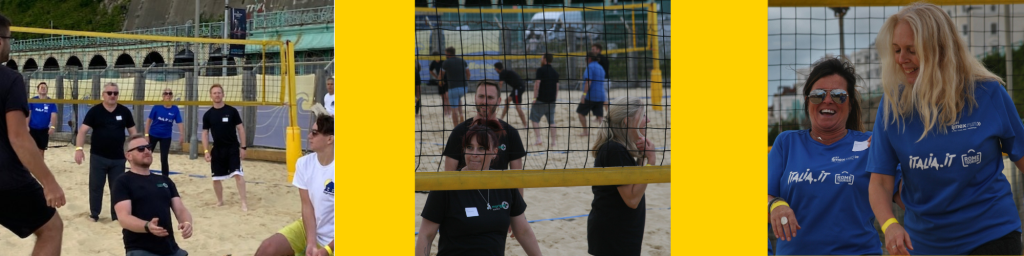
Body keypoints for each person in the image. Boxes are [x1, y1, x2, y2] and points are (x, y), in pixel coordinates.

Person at [867, 3, 1024, 255]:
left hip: (993, 237)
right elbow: (880, 184)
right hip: (924, 245)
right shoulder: (892, 106)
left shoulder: (988, 93)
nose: (901, 59)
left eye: (911, 50)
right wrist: (890, 225)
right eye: (896, 50)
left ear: (939, 49)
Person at [766, 57, 894, 255]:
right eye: (817, 94)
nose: (827, 100)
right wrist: (775, 205)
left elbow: (907, 192)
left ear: (850, 104)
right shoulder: (786, 143)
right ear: (808, 101)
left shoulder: (871, 143)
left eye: (838, 95)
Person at [416, 118, 542, 256]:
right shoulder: (446, 186)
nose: (474, 153)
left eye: (481, 148)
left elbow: (523, 232)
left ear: (494, 152)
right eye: (469, 147)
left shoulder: (505, 183)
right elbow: (425, 236)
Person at [0, 14, 66, 255]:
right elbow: (18, 137)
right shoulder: (9, 79)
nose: (11, 44)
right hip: (6, 180)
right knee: (51, 228)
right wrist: (49, 183)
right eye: (10, 38)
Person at [255, 115, 335, 256]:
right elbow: (307, 206)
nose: (309, 136)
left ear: (330, 139)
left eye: (315, 133)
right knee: (267, 249)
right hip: (310, 228)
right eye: (311, 131)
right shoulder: (304, 164)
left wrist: (328, 249)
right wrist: (310, 242)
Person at [587, 96, 655, 256]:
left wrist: (641, 157)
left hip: (618, 232)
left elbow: (632, 185)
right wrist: (651, 161)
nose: (649, 120)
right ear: (627, 121)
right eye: (643, 115)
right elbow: (632, 199)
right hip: (613, 237)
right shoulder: (614, 150)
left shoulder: (617, 149)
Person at [112, 134, 193, 256]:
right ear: (128, 155)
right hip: (141, 248)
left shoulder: (165, 181)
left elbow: (180, 210)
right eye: (140, 149)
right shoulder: (123, 182)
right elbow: (124, 218)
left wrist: (187, 223)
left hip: (170, 248)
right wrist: (147, 226)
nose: (146, 151)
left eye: (148, 147)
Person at [75, 82, 138, 222]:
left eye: (115, 93)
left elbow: (133, 133)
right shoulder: (95, 111)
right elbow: (82, 131)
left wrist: (134, 152)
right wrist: (79, 149)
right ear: (103, 94)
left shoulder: (124, 111)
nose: (112, 96)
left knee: (117, 188)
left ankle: (116, 216)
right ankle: (94, 214)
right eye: (109, 93)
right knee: (96, 186)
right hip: (98, 156)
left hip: (118, 158)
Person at [443, 80, 526, 172]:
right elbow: (449, 177)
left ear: (498, 101)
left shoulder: (511, 133)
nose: (484, 101)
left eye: (490, 97)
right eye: (481, 96)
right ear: (475, 98)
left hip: (497, 186)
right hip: (467, 185)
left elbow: (517, 180)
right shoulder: (459, 131)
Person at [201, 84, 249, 211]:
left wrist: (243, 147)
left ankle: (244, 202)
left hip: (232, 148)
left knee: (238, 175)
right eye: (214, 93)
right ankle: (220, 201)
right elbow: (205, 134)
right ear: (211, 96)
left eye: (219, 92)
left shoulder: (232, 111)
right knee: (216, 178)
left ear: (223, 94)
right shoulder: (208, 114)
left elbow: (240, 129)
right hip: (217, 149)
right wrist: (206, 151)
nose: (217, 95)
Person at [145, 88, 185, 177]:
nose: (168, 95)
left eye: (170, 93)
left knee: (164, 158)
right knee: (147, 155)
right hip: (153, 134)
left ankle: (165, 177)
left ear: (172, 96)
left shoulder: (175, 109)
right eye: (166, 93)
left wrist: (182, 135)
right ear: (163, 96)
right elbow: (148, 121)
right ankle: (144, 174)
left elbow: (180, 123)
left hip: (166, 136)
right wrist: (146, 135)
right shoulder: (157, 107)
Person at [529, 53, 559, 146]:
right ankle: (553, 142)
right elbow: (557, 87)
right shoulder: (555, 72)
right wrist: (554, 99)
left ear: (545, 59)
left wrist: (534, 98)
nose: (541, 59)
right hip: (551, 101)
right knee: (552, 122)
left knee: (534, 119)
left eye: (542, 57)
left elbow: (537, 84)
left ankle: (538, 140)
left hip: (541, 100)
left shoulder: (540, 70)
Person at [576, 53, 607, 137]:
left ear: (589, 58)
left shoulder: (590, 67)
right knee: (600, 116)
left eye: (585, 58)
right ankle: (604, 134)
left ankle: (585, 131)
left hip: (591, 95)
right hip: (601, 95)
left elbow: (588, 81)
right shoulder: (601, 67)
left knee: (580, 112)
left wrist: (584, 94)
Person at [439, 46, 470, 127]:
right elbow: (468, 73)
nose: (445, 55)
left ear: (448, 53)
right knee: (459, 98)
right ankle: (462, 114)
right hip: (464, 88)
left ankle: (456, 127)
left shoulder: (446, 62)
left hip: (453, 88)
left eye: (445, 53)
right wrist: (466, 82)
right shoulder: (462, 61)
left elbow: (440, 75)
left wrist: (440, 82)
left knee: (454, 111)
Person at [28, 81, 57, 158]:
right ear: (38, 90)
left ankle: (39, 168)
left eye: (45, 87)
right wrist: (26, 126)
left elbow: (53, 115)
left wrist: (52, 127)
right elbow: (28, 114)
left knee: (41, 150)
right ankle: (31, 167)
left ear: (47, 90)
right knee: (31, 150)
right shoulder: (32, 100)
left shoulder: (51, 102)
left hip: (44, 130)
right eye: (41, 87)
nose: (43, 88)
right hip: (32, 129)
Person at [495, 62, 528, 127]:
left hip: (518, 88)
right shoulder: (505, 71)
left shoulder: (502, 73)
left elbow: (500, 83)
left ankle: (525, 125)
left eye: (495, 69)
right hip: (518, 87)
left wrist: (497, 94)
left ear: (497, 68)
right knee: (506, 101)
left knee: (518, 107)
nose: (495, 70)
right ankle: (501, 119)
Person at [591, 43, 611, 114]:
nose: (592, 51)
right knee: (601, 99)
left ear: (598, 50)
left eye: (593, 49)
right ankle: (599, 115)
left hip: (603, 81)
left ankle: (609, 114)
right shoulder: (604, 58)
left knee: (604, 99)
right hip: (606, 80)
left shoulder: (598, 59)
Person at [428, 51, 448, 117]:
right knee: (443, 97)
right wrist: (437, 77)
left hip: (447, 81)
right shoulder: (433, 62)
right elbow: (430, 71)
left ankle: (448, 112)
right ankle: (445, 112)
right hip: (440, 81)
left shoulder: (443, 61)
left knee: (446, 97)